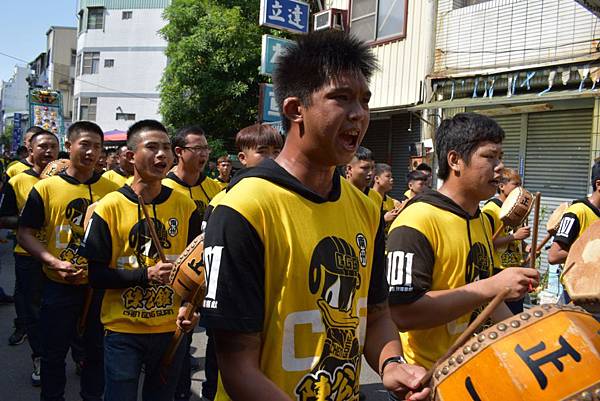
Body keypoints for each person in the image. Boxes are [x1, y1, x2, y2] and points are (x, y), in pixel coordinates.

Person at [201, 30, 429, 401]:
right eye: (341, 98)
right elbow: (237, 364)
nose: (358, 114)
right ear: (295, 110)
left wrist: (392, 365)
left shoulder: (366, 208)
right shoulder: (243, 208)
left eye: (364, 100)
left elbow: (377, 314)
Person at [386, 113, 539, 370]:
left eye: (500, 157)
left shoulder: (479, 220)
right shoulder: (416, 220)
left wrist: (524, 336)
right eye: (490, 157)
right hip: (426, 380)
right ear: (455, 160)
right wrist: (493, 286)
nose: (499, 167)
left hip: (472, 372)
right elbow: (403, 314)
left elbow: (487, 299)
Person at [79, 119, 202, 401]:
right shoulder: (109, 206)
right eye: (152, 147)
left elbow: (199, 268)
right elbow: (95, 276)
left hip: (170, 330)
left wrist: (191, 307)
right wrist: (145, 276)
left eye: (166, 148)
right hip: (122, 330)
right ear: (131, 156)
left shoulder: (185, 206)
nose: (162, 155)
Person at [18, 121, 118, 401]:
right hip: (58, 286)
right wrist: (54, 262)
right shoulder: (46, 189)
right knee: (53, 355)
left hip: (100, 290)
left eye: (97, 147)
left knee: (96, 354)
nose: (91, 152)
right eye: (84, 144)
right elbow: (25, 233)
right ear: (69, 145)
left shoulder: (115, 189)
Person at [199, 122, 283, 401]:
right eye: (262, 151)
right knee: (221, 374)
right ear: (242, 158)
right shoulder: (225, 202)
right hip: (232, 313)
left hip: (279, 322)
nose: (271, 158)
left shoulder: (292, 197)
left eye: (276, 150)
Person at [163, 125, 222, 401]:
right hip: (175, 281)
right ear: (179, 152)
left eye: (205, 149)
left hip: (212, 281)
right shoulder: (162, 188)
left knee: (215, 340)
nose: (203, 154)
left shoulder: (217, 190)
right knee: (177, 345)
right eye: (197, 149)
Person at [0, 129, 59, 385]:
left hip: (63, 259)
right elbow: (3, 218)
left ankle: (79, 357)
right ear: (30, 150)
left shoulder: (68, 180)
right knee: (34, 312)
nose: (48, 152)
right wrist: (31, 220)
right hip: (28, 256)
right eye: (42, 147)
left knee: (67, 311)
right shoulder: (17, 180)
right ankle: (39, 358)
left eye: (52, 147)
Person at [548, 160, 600, 301]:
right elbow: (554, 256)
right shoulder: (577, 212)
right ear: (599, 185)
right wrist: (589, 252)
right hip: (576, 295)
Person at [482, 168, 531, 313]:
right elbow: (487, 243)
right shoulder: (490, 210)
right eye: (516, 185)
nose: (519, 189)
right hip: (498, 271)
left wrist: (526, 247)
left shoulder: (516, 209)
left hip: (515, 267)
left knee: (517, 314)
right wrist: (514, 237)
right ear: (501, 186)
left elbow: (517, 240)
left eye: (520, 184)